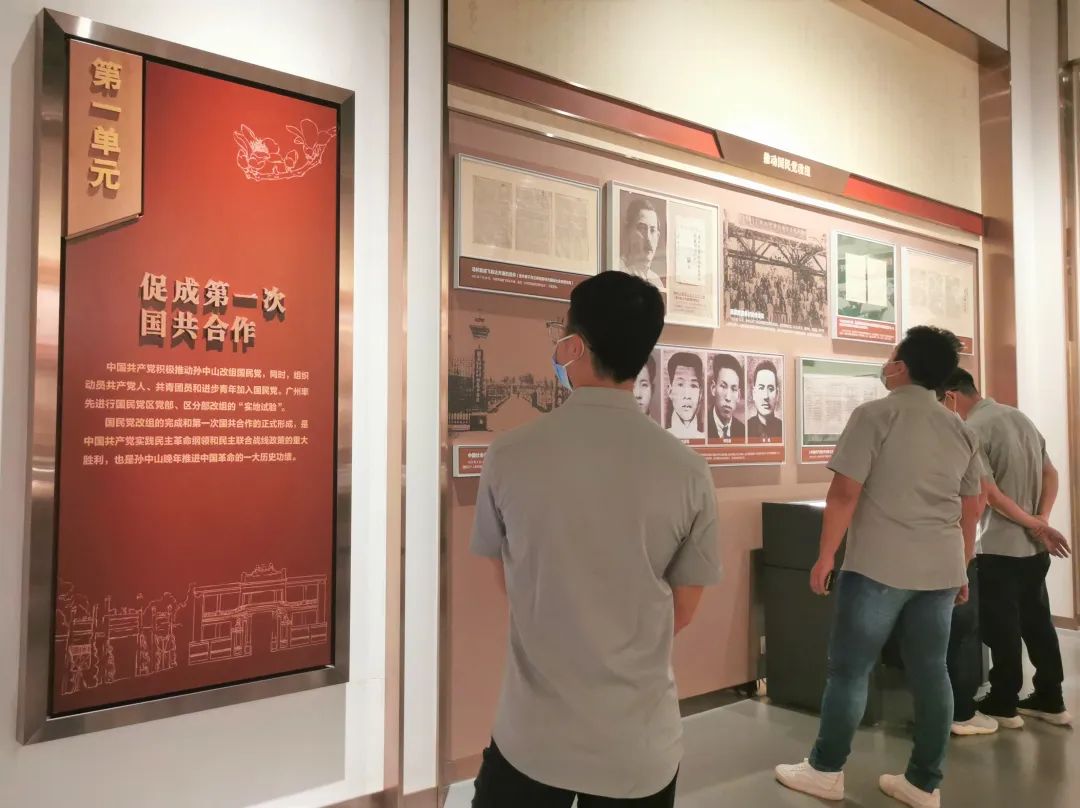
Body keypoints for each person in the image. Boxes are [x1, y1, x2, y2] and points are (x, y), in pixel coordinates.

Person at [470, 271, 721, 807]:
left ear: (574, 346)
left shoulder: (509, 454)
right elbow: (684, 608)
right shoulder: (688, 471)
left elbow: (508, 577)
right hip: (637, 745)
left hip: (532, 737)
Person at [776, 326, 983, 808]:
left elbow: (844, 493)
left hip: (878, 568)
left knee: (849, 671)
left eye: (891, 359)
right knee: (931, 672)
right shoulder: (960, 428)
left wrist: (826, 555)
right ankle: (923, 784)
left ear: (901, 367)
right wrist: (961, 566)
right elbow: (972, 508)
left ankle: (825, 770)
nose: (886, 366)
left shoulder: (874, 415)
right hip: (940, 570)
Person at [938, 369, 1072, 728]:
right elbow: (1051, 473)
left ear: (951, 395)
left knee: (1002, 628)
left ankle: (1003, 702)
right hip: (1034, 549)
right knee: (1038, 623)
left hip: (998, 546)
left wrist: (1035, 524)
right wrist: (1041, 519)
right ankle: (1051, 698)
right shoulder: (1019, 417)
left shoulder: (973, 428)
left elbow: (989, 494)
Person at [618, 195, 666, 290]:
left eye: (652, 230)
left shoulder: (656, 281)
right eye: (642, 228)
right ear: (629, 231)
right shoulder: (618, 270)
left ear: (658, 237)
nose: (648, 238)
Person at [666, 351, 705, 440]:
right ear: (670, 391)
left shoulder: (706, 436)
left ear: (700, 394)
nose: (687, 395)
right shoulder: (662, 434)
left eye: (693, 385)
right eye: (680, 384)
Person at [708, 353, 745, 441]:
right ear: (713, 388)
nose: (728, 398)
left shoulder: (743, 430)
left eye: (734, 389)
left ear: (739, 395)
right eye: (723, 386)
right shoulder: (703, 427)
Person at [747, 360, 783, 441]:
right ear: (754, 393)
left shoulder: (783, 428)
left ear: (777, 394)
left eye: (770, 389)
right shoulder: (745, 428)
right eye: (761, 388)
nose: (766, 396)